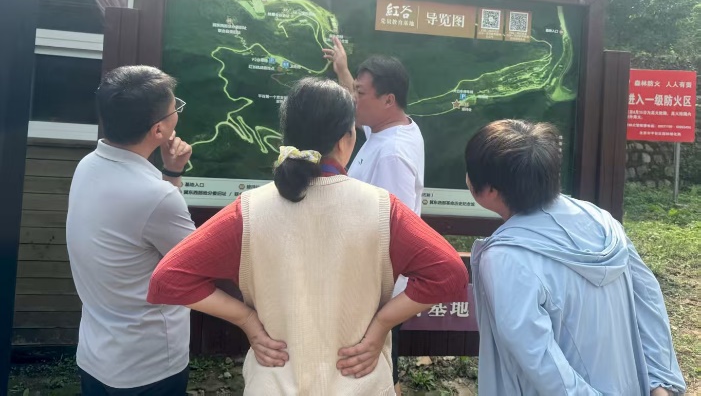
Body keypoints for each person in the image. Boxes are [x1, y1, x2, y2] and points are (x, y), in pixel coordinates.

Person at [148, 77, 468, 396]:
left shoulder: (248, 210)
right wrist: (382, 325)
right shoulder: (384, 209)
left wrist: (247, 320)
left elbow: (169, 279)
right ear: (345, 139)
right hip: (360, 384)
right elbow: (450, 275)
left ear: (287, 137)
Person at [466, 119, 686, 396]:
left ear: (489, 190)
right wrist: (660, 381)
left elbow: (537, 358)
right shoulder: (601, 221)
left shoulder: (505, 258)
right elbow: (648, 296)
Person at [66, 66, 195, 395]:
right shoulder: (155, 196)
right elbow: (195, 266)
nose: (176, 115)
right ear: (158, 129)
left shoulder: (88, 166)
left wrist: (171, 172)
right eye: (175, 109)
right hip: (149, 365)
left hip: (96, 356)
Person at [323, 37, 424, 394]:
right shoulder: (392, 127)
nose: (353, 98)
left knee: (372, 368)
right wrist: (342, 69)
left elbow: (393, 229)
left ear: (388, 100)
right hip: (370, 285)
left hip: (378, 291)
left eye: (360, 92)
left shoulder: (393, 155)